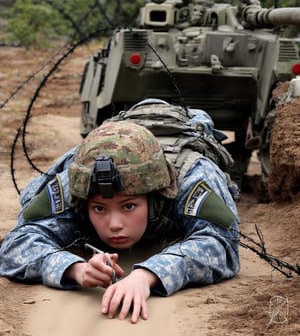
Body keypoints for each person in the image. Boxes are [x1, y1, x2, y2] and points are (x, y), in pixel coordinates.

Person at [0, 100, 240, 324]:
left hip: (177, 132)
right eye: (99, 208)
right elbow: (16, 244)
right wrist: (76, 270)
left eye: (128, 206)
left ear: (154, 197)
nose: (114, 224)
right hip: (118, 134)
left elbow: (221, 243)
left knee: (201, 122)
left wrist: (148, 275)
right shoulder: (78, 183)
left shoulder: (189, 178)